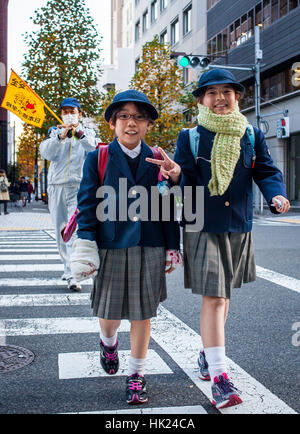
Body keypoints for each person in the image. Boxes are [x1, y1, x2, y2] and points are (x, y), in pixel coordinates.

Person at [146, 69, 290, 410]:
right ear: (201, 100)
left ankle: (206, 352)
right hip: (201, 225)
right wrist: (177, 172)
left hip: (238, 225)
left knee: (223, 298)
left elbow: (266, 170)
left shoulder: (250, 134)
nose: (221, 97)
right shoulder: (190, 136)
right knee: (214, 297)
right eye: (212, 93)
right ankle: (221, 378)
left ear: (237, 97)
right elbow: (186, 177)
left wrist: (277, 195)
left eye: (228, 91)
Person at [69, 90, 181, 404]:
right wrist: (87, 240)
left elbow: (165, 204)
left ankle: (136, 375)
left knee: (142, 314)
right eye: (124, 116)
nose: (131, 123)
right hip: (111, 244)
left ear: (147, 124)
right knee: (109, 315)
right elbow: (87, 202)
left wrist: (173, 245)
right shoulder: (99, 157)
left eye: (138, 117)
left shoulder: (158, 157)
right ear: (113, 123)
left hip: (150, 244)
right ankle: (108, 342)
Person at [39, 97, 97, 291]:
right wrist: (60, 137)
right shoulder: (54, 132)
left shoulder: (88, 132)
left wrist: (79, 134)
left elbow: (94, 148)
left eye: (72, 110)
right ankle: (68, 268)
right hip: (56, 187)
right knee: (60, 230)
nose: (68, 114)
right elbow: (46, 153)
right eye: (64, 111)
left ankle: (73, 274)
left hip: (78, 187)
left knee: (73, 230)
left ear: (79, 113)